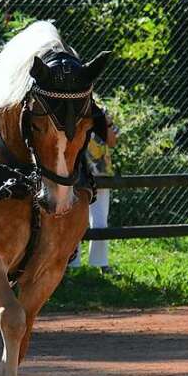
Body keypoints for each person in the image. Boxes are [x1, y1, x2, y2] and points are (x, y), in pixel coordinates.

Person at [70, 112, 119, 273]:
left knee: (100, 222)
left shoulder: (102, 112)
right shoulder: (72, 111)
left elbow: (112, 142)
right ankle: (71, 264)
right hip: (76, 175)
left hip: (101, 175)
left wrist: (107, 124)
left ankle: (100, 263)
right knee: (73, 221)